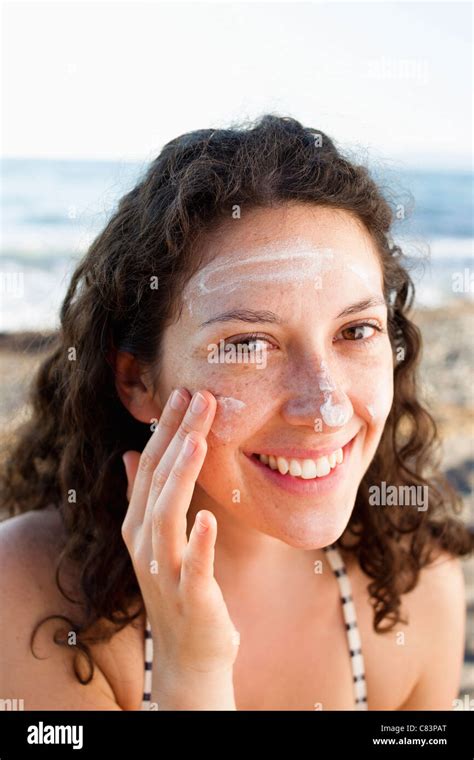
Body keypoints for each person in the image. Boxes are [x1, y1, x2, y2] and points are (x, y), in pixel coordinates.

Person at [0, 115, 471, 710]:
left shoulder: (420, 590)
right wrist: (192, 674)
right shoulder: (27, 596)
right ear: (137, 381)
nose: (324, 408)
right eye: (247, 344)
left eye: (356, 329)